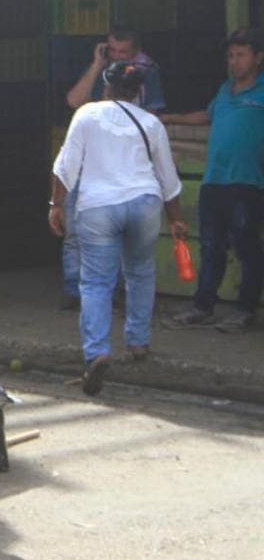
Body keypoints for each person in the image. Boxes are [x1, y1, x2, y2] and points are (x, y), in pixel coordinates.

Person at [50, 61, 186, 396]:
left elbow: (66, 166)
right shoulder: (151, 123)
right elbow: (168, 180)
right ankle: (138, 343)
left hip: (98, 207)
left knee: (96, 282)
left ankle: (97, 351)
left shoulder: (87, 115)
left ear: (106, 87)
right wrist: (176, 219)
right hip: (145, 203)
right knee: (140, 272)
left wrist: (56, 205)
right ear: (140, 90)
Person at [161, 29, 264, 333]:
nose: (235, 62)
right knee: (211, 247)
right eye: (231, 56)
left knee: (247, 248)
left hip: (247, 182)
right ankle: (202, 307)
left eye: (241, 55)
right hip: (214, 181)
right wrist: (168, 118)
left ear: (258, 57)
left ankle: (245, 311)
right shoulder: (224, 91)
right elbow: (205, 117)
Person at [59, 26, 166, 310]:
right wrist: (97, 65)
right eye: (112, 51)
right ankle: (74, 292)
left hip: (123, 167)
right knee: (73, 231)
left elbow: (153, 115)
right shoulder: (100, 74)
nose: (117, 58)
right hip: (87, 164)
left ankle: (111, 293)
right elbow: (73, 100)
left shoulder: (146, 73)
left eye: (124, 53)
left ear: (136, 52)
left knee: (118, 238)